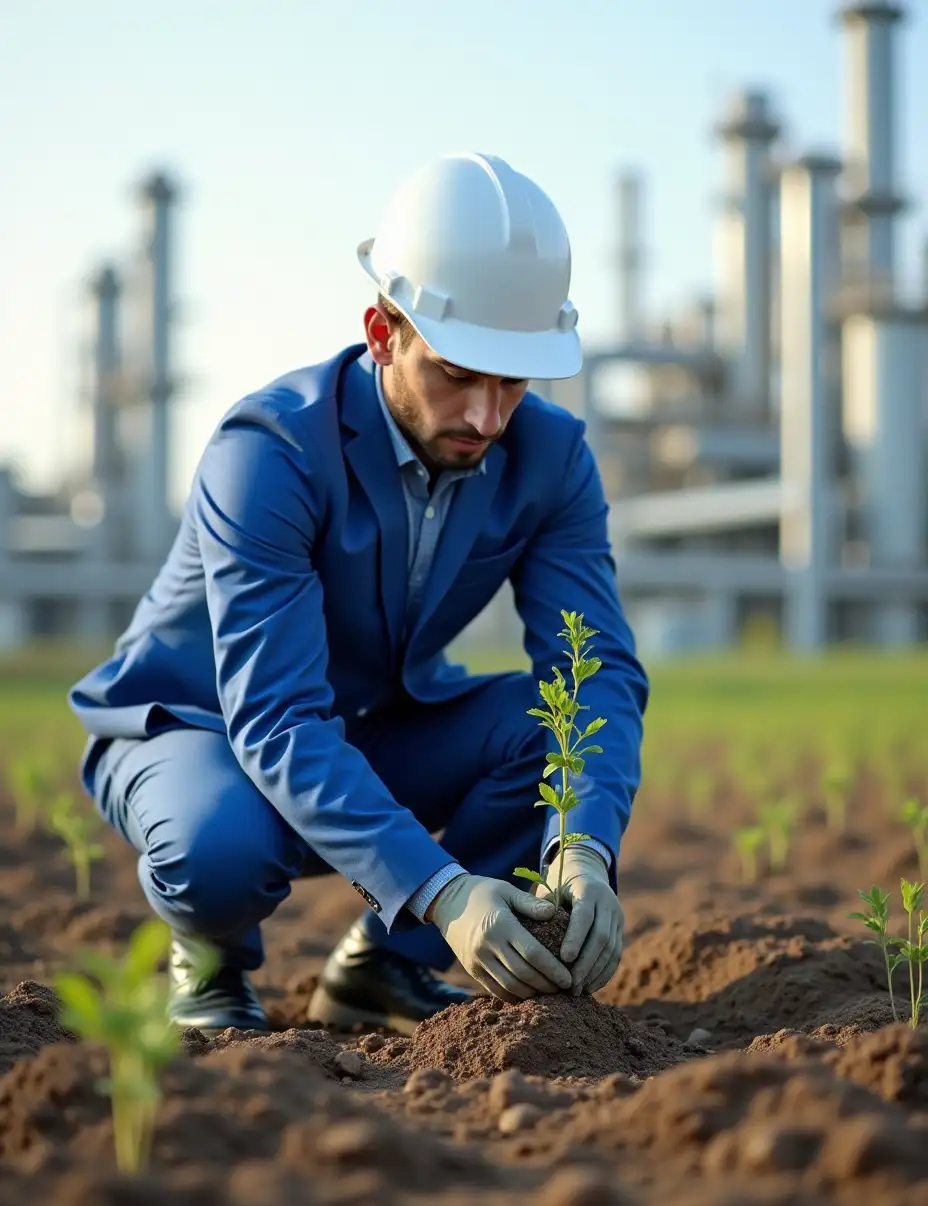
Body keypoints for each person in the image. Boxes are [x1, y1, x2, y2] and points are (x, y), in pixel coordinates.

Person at [68, 152, 649, 1035]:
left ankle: (380, 969)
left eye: (515, 380)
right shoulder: (271, 451)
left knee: (552, 728)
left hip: (371, 725)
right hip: (198, 730)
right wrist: (446, 890)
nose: (489, 418)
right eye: (459, 371)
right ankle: (211, 962)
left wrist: (585, 844)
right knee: (216, 846)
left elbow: (595, 665)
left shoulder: (552, 457)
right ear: (384, 333)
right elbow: (273, 716)